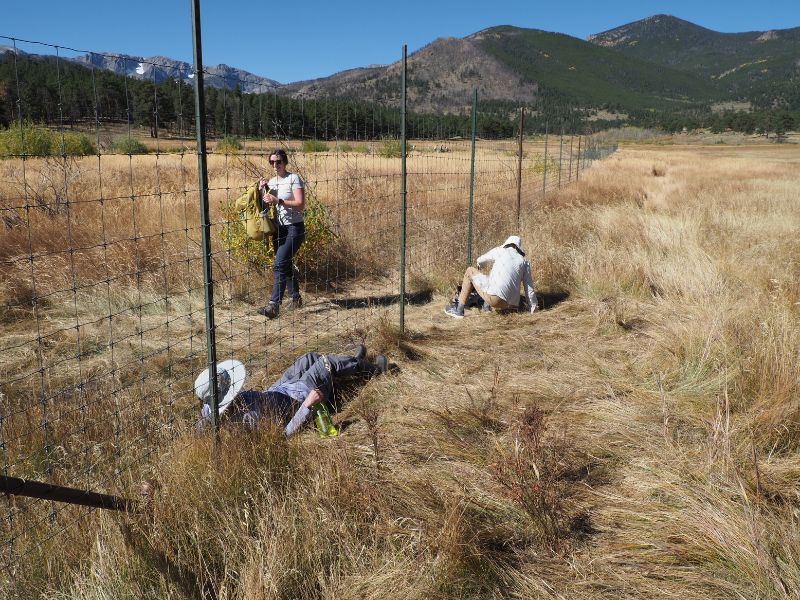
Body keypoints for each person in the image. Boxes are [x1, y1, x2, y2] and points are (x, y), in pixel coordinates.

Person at [194, 345, 388, 436]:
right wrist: (307, 406)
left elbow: (200, 427)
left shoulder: (211, 409)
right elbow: (282, 436)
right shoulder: (249, 420)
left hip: (278, 389)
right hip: (299, 397)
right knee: (325, 363)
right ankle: (374, 369)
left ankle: (350, 363)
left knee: (309, 357)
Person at [257, 148, 305, 319]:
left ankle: (274, 305)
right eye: (272, 162)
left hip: (294, 228)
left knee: (279, 264)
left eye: (278, 161)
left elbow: (300, 204)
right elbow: (268, 207)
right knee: (285, 263)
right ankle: (295, 299)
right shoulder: (272, 181)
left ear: (285, 162)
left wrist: (279, 200)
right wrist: (263, 190)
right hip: (279, 229)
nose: (275, 165)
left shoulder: (294, 178)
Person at [444, 235, 537, 319]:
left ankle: (458, 310)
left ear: (507, 245)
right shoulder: (524, 262)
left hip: (496, 300)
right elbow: (529, 289)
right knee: (491, 279)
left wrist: (479, 267)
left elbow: (480, 260)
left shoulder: (500, 250)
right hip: (513, 306)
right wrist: (532, 309)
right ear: (519, 249)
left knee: (470, 271)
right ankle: (486, 308)